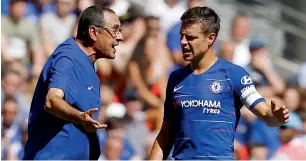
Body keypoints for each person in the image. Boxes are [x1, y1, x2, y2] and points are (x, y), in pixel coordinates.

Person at [149, 6, 289, 160]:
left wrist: (277, 117)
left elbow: (265, 113)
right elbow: (166, 133)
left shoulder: (234, 75)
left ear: (210, 38)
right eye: (181, 36)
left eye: (190, 37)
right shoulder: (176, 78)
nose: (183, 42)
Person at [23, 6, 124, 160]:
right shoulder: (68, 57)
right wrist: (80, 117)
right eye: (115, 30)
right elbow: (51, 101)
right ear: (93, 32)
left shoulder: (88, 63)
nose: (120, 37)